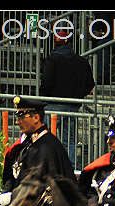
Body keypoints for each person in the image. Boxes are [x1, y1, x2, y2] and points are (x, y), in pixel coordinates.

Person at [0, 96, 76, 206]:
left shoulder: (48, 147)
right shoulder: (25, 144)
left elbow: (43, 188)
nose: (17, 122)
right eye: (17, 117)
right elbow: (13, 175)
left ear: (36, 118)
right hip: (18, 205)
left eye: (21, 117)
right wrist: (6, 192)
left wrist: (12, 197)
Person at [40, 30, 96, 167]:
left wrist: (44, 97)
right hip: (71, 106)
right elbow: (90, 84)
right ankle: (68, 167)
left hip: (52, 105)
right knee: (69, 140)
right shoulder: (81, 61)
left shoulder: (52, 59)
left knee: (47, 138)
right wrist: (78, 95)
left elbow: (46, 83)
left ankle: (48, 165)